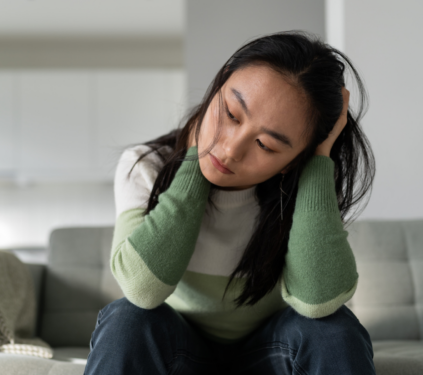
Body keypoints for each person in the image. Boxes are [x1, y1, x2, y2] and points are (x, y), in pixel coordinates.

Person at [84, 30, 377, 375]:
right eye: (232, 114)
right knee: (126, 320)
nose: (231, 149)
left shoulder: (309, 185)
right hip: (179, 352)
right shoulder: (147, 166)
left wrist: (317, 163)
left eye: (266, 145)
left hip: (270, 354)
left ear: (293, 162)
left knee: (333, 329)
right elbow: (141, 290)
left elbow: (318, 302)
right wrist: (194, 162)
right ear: (218, 85)